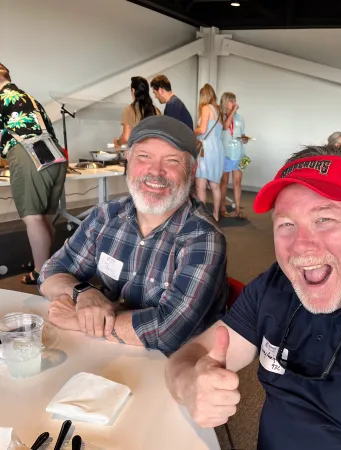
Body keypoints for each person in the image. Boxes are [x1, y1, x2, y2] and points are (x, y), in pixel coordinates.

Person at [166, 145, 341, 449]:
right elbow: (188, 356)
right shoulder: (275, 286)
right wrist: (190, 385)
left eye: (324, 219)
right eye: (286, 224)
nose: (301, 247)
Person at [38, 116, 228, 355]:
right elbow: (50, 272)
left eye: (172, 161)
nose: (156, 172)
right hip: (110, 351)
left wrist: (80, 321)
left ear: (192, 170)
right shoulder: (106, 216)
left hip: (177, 367)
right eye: (144, 157)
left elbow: (168, 331)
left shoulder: (203, 238)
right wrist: (84, 293)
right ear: (128, 159)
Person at [0, 63, 67, 285]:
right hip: (55, 156)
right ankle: (49, 269)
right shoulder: (29, 98)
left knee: (33, 217)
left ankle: (42, 275)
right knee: (45, 217)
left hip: (28, 156)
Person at [194, 84, 224, 222]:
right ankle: (216, 215)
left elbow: (202, 130)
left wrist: (190, 129)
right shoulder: (218, 110)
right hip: (218, 150)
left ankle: (202, 217)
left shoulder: (206, 108)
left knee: (201, 184)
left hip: (207, 150)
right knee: (215, 185)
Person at [219, 92, 249, 220]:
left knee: (237, 182)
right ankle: (222, 207)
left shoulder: (240, 118)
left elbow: (242, 134)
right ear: (226, 102)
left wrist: (244, 138)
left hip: (240, 154)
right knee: (224, 182)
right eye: (232, 101)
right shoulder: (220, 117)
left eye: (235, 100)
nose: (235, 103)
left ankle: (237, 209)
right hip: (225, 154)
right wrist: (232, 112)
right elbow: (225, 126)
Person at [114, 76, 160, 147]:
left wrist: (117, 143)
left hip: (139, 154)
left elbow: (126, 138)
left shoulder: (129, 109)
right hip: (155, 153)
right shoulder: (156, 110)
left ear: (133, 90)